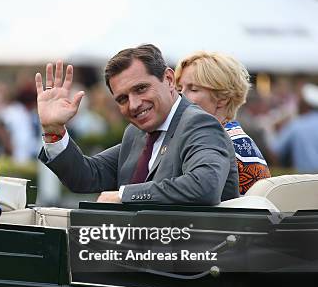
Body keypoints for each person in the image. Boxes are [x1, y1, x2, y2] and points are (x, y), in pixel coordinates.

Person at [36, 44, 239, 205]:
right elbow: (87, 176)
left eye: (141, 89)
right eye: (122, 99)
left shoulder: (198, 123)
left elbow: (205, 185)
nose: (133, 104)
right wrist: (54, 131)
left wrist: (124, 196)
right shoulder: (136, 133)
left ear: (169, 79)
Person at [174, 51, 271, 194]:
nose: (180, 96)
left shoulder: (231, 146)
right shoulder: (224, 138)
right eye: (179, 89)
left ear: (222, 98)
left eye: (193, 89)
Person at [270, 82, 318, 173]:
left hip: (306, 179)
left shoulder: (296, 124)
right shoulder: (296, 123)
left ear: (305, 104)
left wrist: (273, 128)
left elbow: (275, 151)